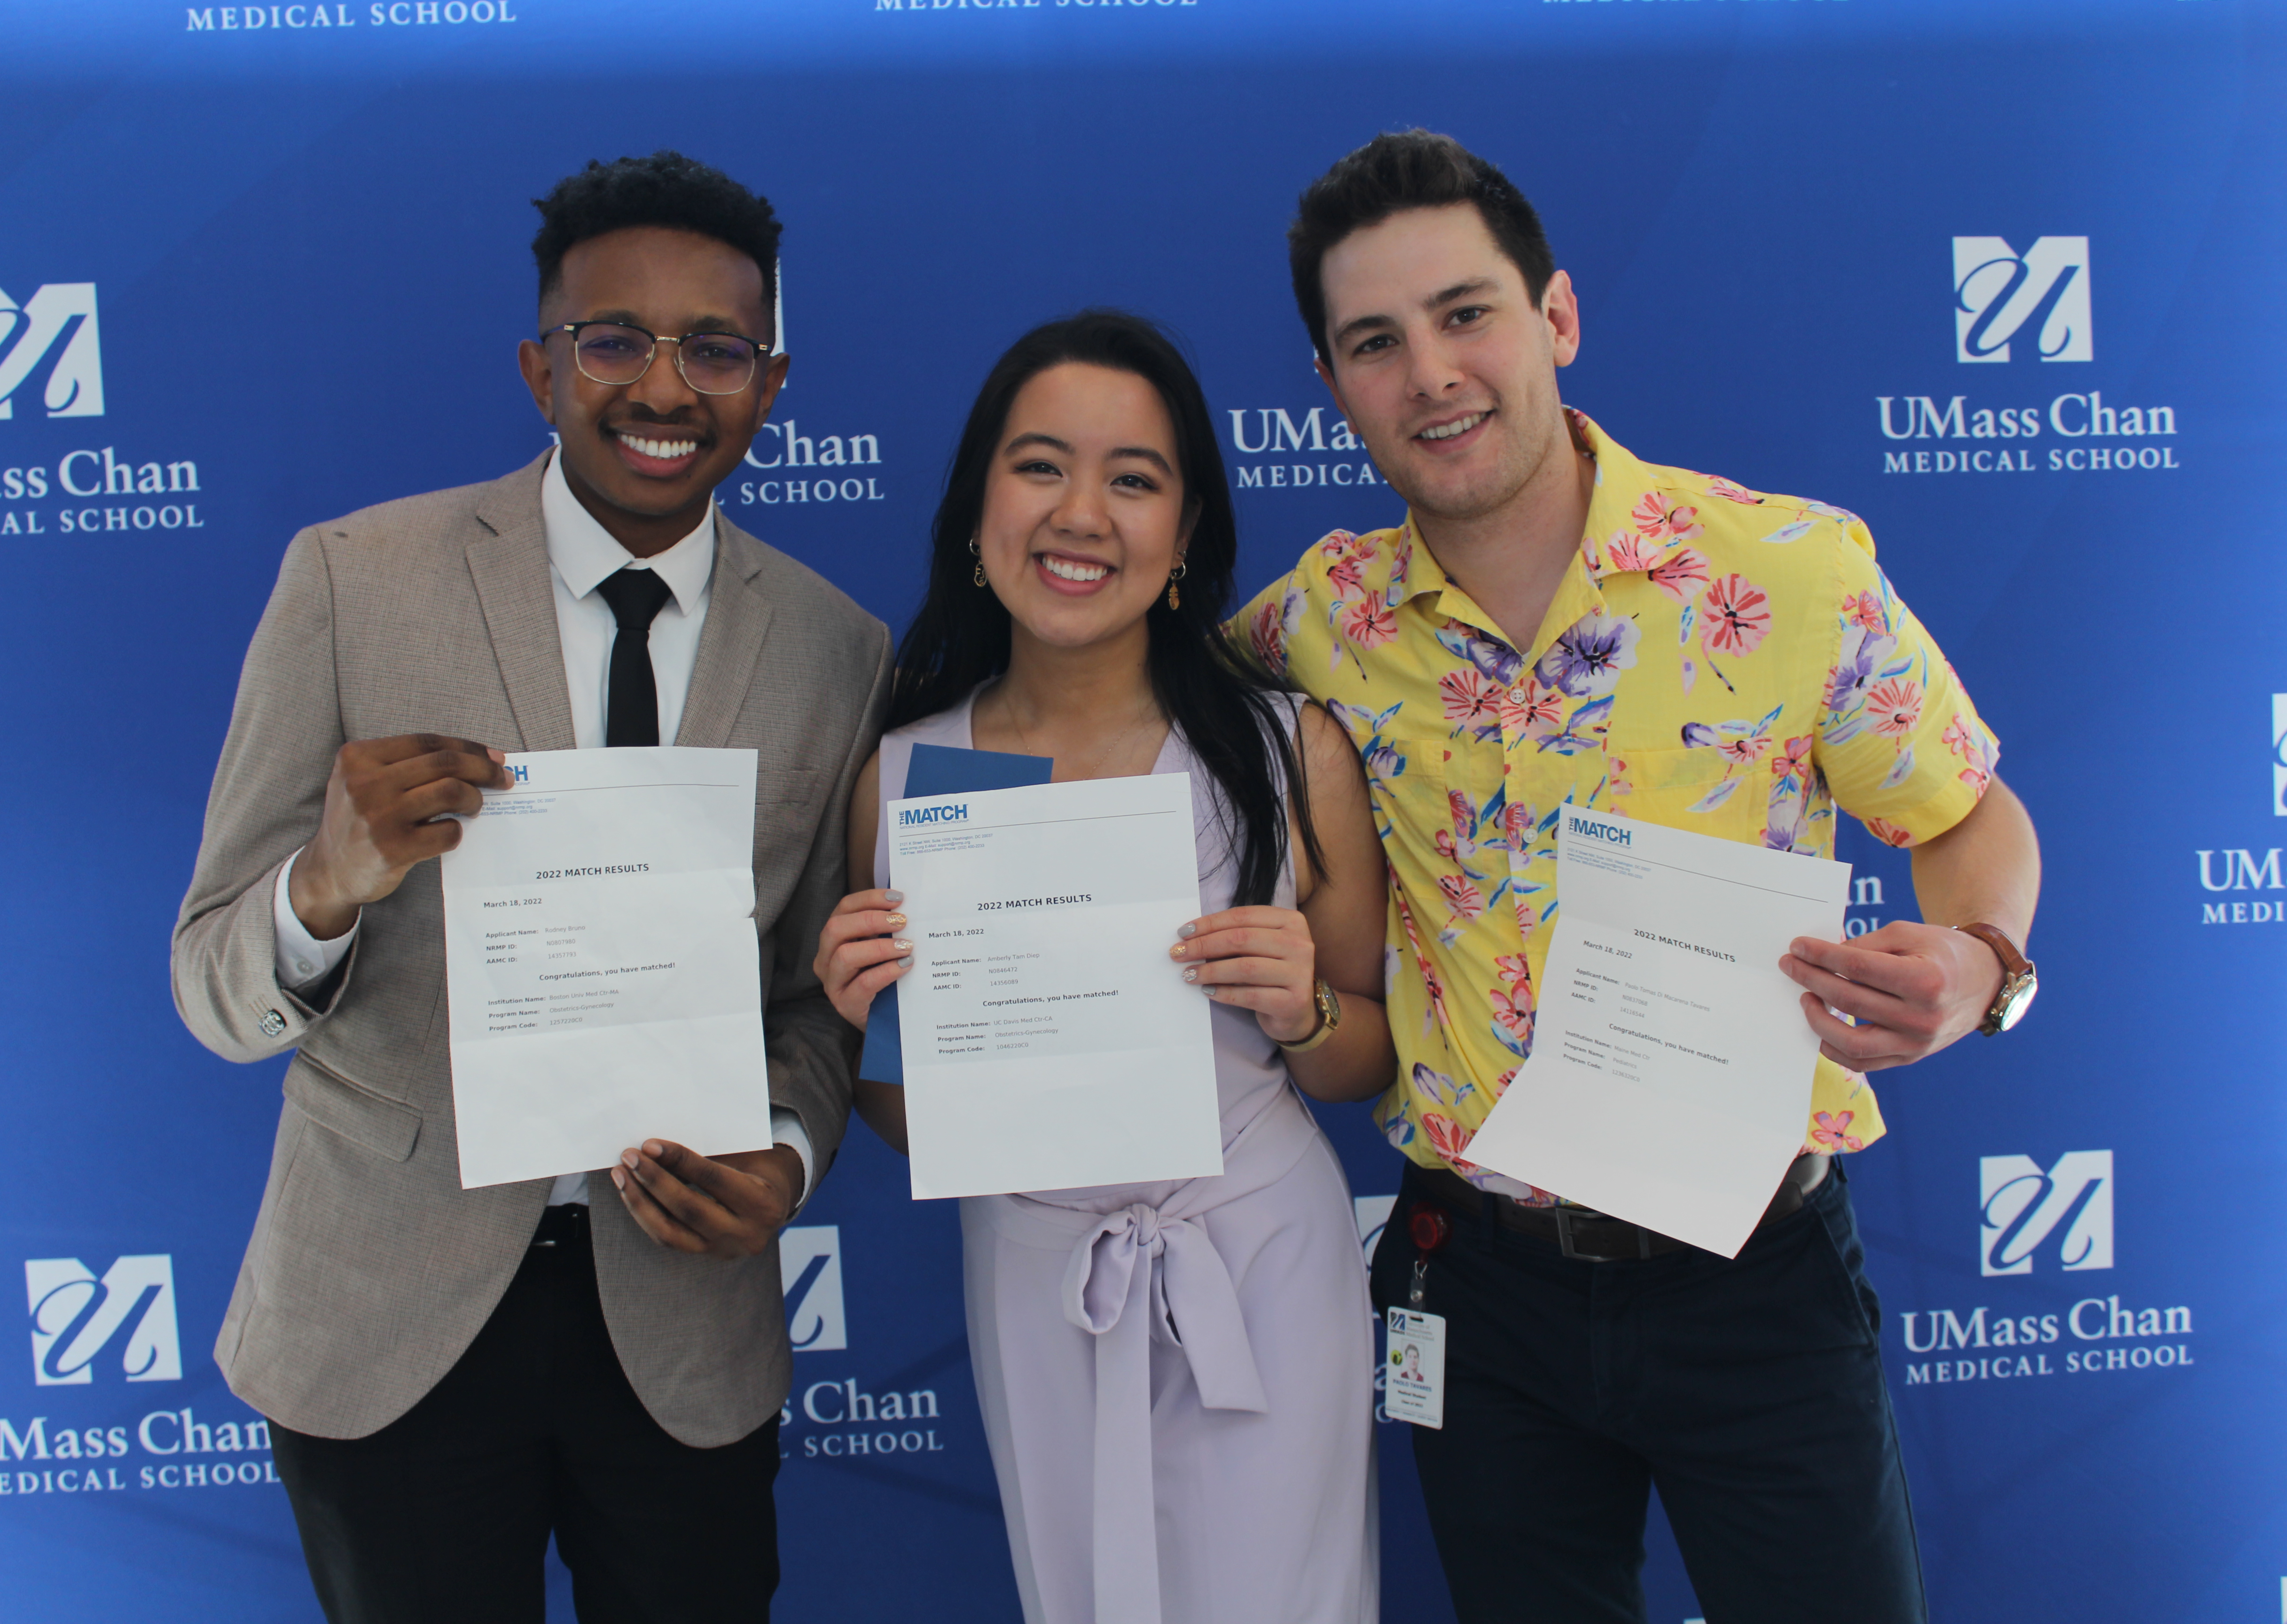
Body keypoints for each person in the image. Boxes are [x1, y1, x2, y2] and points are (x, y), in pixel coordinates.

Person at [1238, 132, 2044, 1624]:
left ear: (1556, 318)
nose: (1430, 373)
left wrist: (1982, 964)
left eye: (1466, 313)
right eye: (1375, 342)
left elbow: (1969, 814)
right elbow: (1130, 741)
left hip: (1759, 1270)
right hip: (1473, 1291)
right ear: (1335, 384)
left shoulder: (1790, 572)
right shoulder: (1313, 627)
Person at [170, 150, 890, 1624]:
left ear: (773, 379)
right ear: (540, 365)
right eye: (614, 339)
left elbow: (817, 998)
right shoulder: (351, 583)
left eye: (718, 347)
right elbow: (210, 992)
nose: (665, 387)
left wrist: (790, 1154)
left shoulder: (836, 651)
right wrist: (328, 879)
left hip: (683, 1327)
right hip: (388, 1313)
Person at [811, 312, 1393, 1624]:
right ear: (976, 508)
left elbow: (1369, 1062)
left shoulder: (1284, 750)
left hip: (1258, 1263)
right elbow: (918, 1126)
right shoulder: (909, 775)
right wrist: (862, 1034)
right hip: (1038, 1273)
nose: (1083, 513)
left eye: (1134, 479)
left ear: (1186, 536)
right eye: (1040, 467)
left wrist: (1305, 1010)